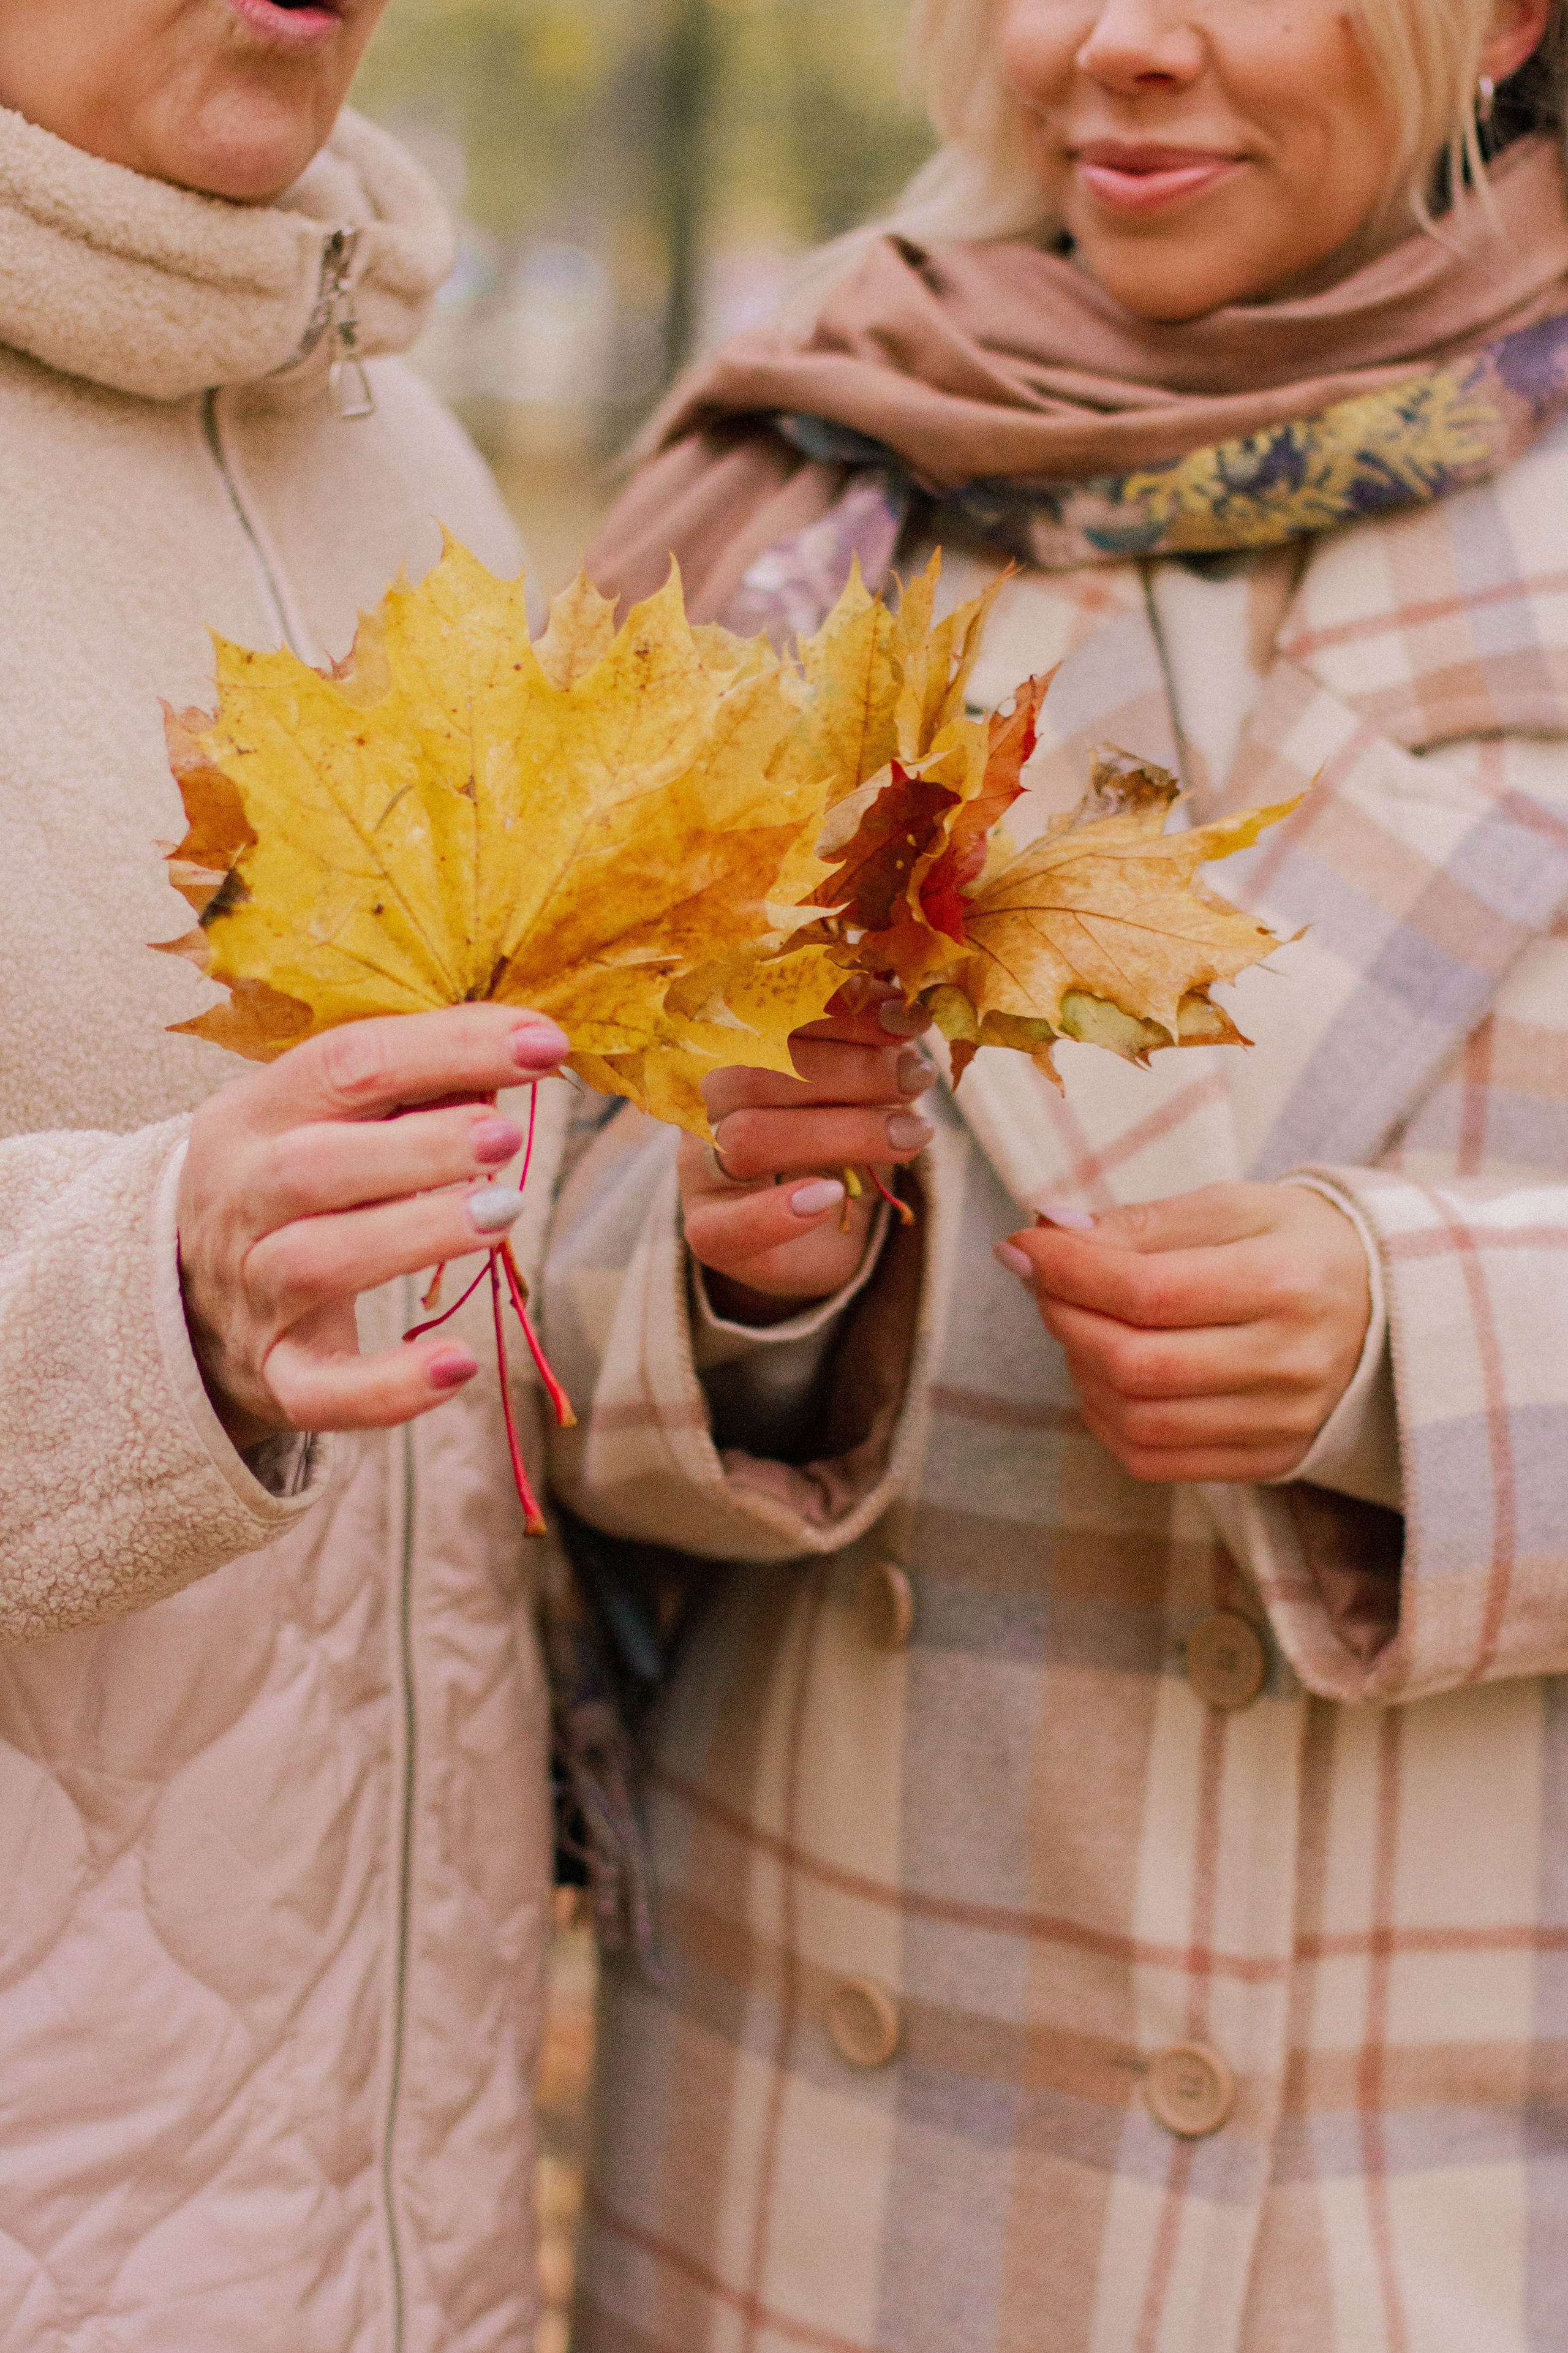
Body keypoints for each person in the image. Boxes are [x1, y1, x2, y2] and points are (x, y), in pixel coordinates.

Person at [544, 0, 1568, 2346]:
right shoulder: (806, 488)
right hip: (828, 2160)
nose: (1099, 45)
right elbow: (496, 1265)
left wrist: (1431, 1352)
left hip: (1428, 2184)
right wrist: (749, 1295)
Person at [0, 5, 573, 2346]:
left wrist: (765, 1259)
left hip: (397, 2206)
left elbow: (508, 1294)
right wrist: (148, 1293)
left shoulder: (417, 458)